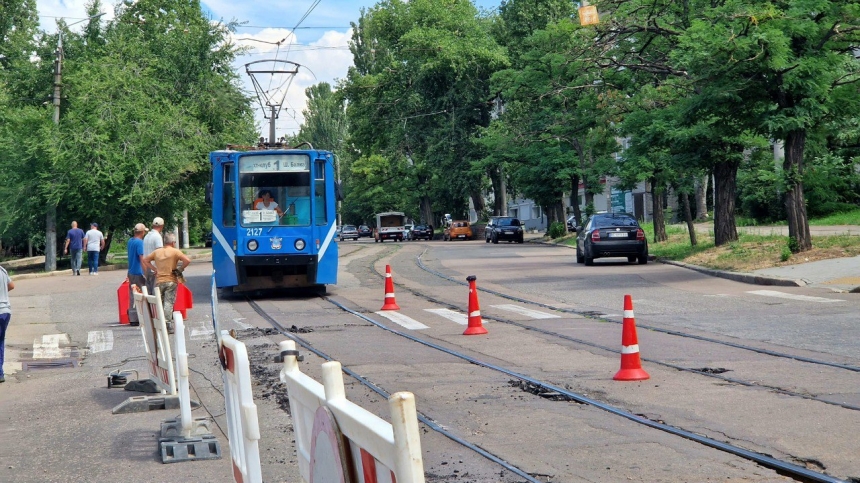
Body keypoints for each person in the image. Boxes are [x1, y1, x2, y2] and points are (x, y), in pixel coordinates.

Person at [143, 233, 190, 333]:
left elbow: (145, 260)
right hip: (171, 281)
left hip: (159, 281)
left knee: (161, 302)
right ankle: (167, 324)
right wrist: (180, 269)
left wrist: (154, 269)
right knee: (168, 303)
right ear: (173, 242)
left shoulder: (157, 252)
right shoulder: (175, 252)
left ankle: (160, 323)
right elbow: (187, 260)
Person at [126, 223, 148, 325]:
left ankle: (133, 318)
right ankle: (142, 316)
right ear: (142, 232)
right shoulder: (140, 243)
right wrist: (146, 272)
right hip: (138, 272)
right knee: (142, 295)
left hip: (130, 271)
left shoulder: (130, 241)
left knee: (132, 295)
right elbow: (142, 258)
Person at [143, 217, 165, 294]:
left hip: (147, 267)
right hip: (154, 268)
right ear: (162, 226)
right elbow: (159, 254)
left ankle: (150, 306)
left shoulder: (146, 236)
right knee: (157, 293)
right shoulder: (157, 237)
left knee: (149, 294)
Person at [0, 264, 14, 383]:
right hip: (5, 312)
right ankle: (0, 373)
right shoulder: (2, 270)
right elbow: (11, 285)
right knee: (0, 341)